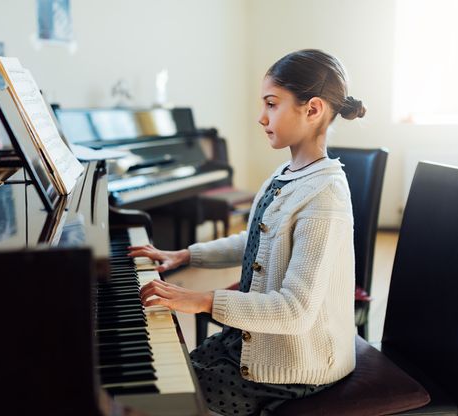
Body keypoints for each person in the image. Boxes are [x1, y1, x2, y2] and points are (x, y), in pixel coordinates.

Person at [128, 49, 366, 416]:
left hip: (295, 365)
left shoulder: (324, 196)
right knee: (162, 374)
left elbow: (295, 311)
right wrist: (186, 256)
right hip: (251, 340)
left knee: (165, 398)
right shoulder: (285, 174)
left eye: (272, 104)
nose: (261, 117)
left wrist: (202, 300)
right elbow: (256, 241)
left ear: (313, 109)